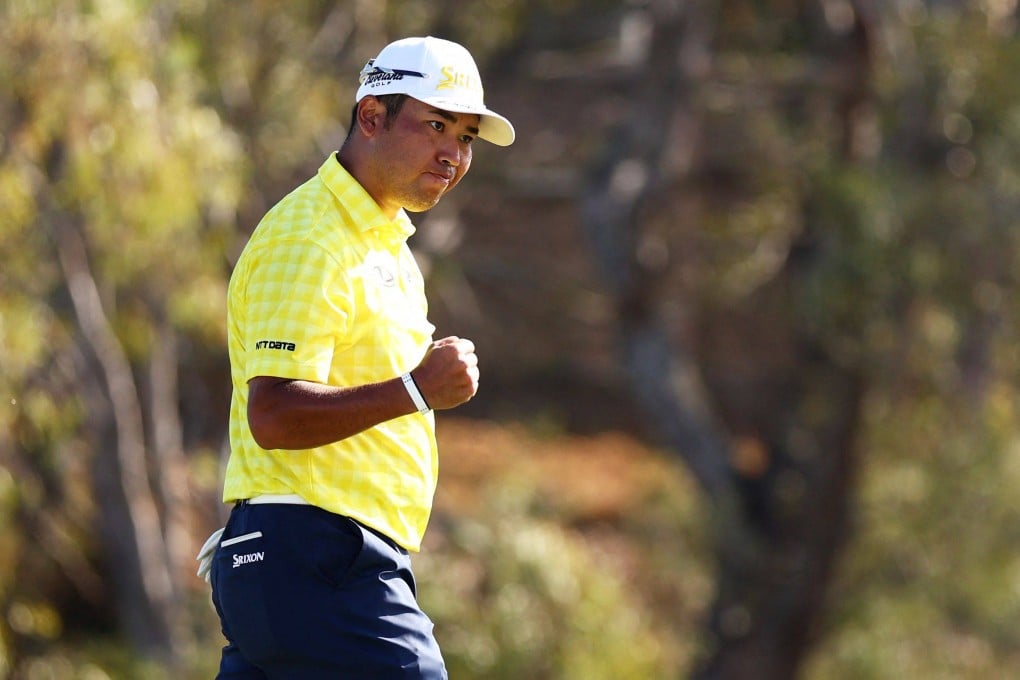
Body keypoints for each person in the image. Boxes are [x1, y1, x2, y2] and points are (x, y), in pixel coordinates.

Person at [201, 36, 515, 679]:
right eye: (435, 125)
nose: (452, 153)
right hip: (316, 556)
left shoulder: (384, 245)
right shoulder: (310, 236)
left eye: (466, 138)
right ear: (371, 117)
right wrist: (418, 389)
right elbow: (275, 415)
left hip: (317, 561)